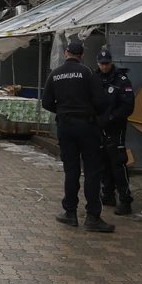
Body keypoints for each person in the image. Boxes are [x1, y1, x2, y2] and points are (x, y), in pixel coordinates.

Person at [41, 42, 115, 233]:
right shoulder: (88, 73)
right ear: (81, 56)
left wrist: (63, 110)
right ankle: (93, 217)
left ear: (66, 54)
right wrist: (90, 112)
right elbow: (101, 101)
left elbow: (46, 102)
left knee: (71, 170)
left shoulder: (55, 74)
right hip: (87, 126)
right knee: (92, 171)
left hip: (65, 126)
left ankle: (70, 213)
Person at [95, 48, 136, 216]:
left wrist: (111, 118)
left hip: (115, 128)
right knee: (103, 162)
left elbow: (128, 106)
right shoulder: (95, 78)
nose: (104, 66)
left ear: (111, 62)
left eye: (107, 63)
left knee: (118, 164)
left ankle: (125, 200)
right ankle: (108, 194)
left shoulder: (121, 80)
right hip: (100, 128)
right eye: (101, 64)